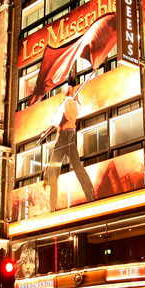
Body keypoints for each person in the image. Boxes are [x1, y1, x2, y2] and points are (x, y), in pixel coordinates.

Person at [40, 83, 96, 212]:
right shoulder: (76, 105)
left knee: (54, 171)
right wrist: (75, 100)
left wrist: (44, 132)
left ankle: (52, 206)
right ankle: (90, 196)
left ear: (65, 93)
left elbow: (54, 122)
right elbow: (78, 108)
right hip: (72, 137)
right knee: (78, 168)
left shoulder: (62, 106)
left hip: (63, 138)